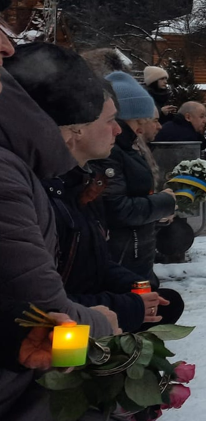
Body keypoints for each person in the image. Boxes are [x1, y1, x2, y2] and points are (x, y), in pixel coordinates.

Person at [0, 0, 122, 419]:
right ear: (72, 131)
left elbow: (25, 320)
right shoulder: (7, 173)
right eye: (107, 119)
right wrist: (107, 323)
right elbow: (50, 320)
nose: (6, 45)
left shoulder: (22, 169)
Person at [5, 44, 174, 333]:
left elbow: (90, 258)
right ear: (77, 126)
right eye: (110, 121)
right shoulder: (26, 180)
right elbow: (39, 307)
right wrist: (123, 309)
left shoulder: (73, 179)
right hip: (48, 355)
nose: (119, 130)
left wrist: (132, 286)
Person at [97, 72, 178, 285]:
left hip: (135, 255)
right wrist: (164, 202)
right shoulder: (112, 152)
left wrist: (157, 211)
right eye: (138, 120)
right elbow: (118, 209)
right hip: (123, 257)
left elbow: (136, 195)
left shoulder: (128, 147)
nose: (141, 128)